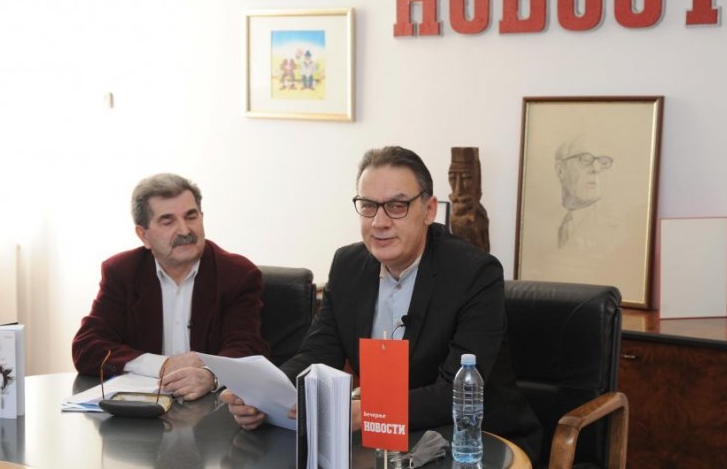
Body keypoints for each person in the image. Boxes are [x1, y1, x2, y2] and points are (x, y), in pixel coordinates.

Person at [222, 146, 542, 464]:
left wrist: (368, 412)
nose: (379, 222)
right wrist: (264, 395)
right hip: (381, 446)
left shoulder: (474, 273)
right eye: (368, 206)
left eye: (396, 206)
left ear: (429, 210)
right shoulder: (348, 265)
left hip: (474, 442)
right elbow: (317, 354)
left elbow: (456, 392)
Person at [72, 173, 269, 401]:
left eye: (191, 217)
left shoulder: (236, 274)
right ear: (143, 235)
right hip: (143, 412)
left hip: (213, 409)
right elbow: (87, 348)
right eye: (168, 221)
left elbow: (248, 349)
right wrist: (161, 365)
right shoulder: (123, 272)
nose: (184, 231)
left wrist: (211, 376)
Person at [554, 135, 619, 251]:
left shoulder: (616, 229)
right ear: (560, 170)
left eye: (604, 162)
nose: (596, 168)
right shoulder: (539, 222)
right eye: (585, 159)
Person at [448, 146, 490, 253]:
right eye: (452, 178)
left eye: (466, 178)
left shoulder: (478, 219)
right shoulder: (454, 216)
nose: (458, 189)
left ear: (477, 181)